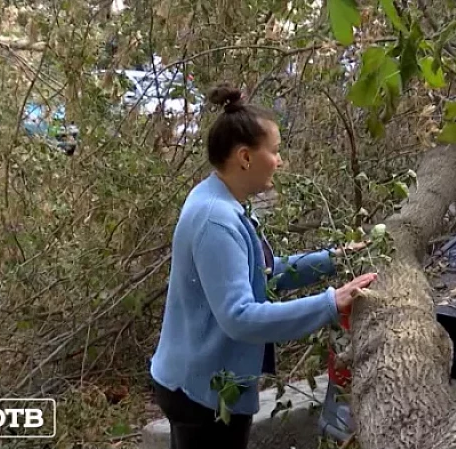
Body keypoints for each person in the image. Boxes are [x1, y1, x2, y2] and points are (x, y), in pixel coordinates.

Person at [149, 84, 378, 449]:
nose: (280, 160)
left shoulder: (217, 199)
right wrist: (330, 304)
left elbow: (261, 274)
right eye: (274, 151)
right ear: (244, 157)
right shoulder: (216, 219)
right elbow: (239, 316)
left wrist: (333, 260)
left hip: (193, 381)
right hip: (202, 395)